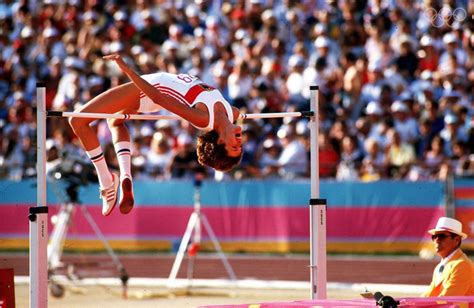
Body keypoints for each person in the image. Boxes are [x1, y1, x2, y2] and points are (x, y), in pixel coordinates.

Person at [68, 54, 243, 216]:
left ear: (220, 140)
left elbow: (160, 98)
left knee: (77, 120)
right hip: (153, 91)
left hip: (151, 89)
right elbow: (237, 115)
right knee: (114, 121)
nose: (239, 140)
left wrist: (129, 71)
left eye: (234, 145)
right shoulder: (232, 113)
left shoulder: (203, 118)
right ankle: (125, 175)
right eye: (240, 145)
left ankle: (106, 181)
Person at [421, 217, 474, 297]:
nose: (437, 240)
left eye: (442, 236)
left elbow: (447, 300)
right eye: (434, 236)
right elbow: (429, 295)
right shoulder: (440, 266)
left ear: (457, 240)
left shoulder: (462, 265)